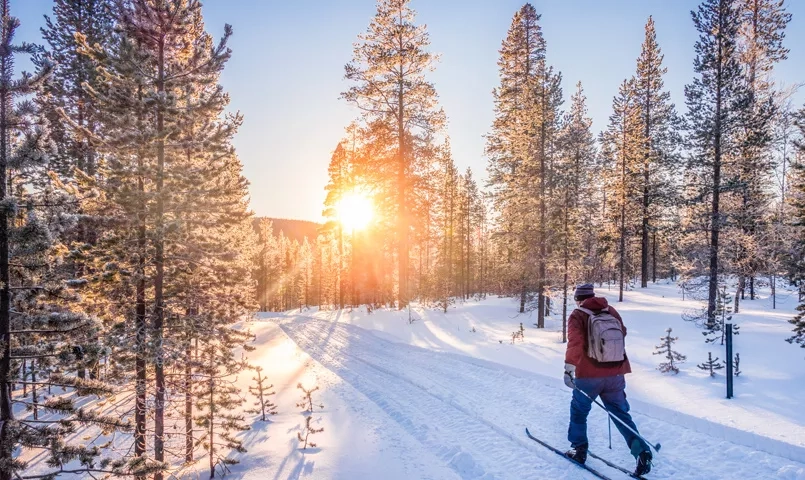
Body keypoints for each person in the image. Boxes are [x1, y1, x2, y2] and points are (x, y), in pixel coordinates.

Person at [563, 283, 653, 476]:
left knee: (579, 412)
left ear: (578, 299)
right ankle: (642, 452)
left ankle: (579, 451)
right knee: (621, 414)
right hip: (615, 373)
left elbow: (575, 342)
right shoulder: (610, 310)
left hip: (588, 375)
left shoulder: (578, 315)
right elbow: (623, 332)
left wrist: (569, 367)